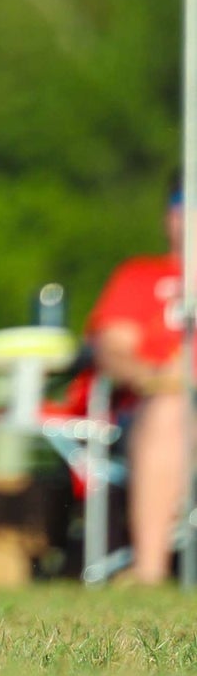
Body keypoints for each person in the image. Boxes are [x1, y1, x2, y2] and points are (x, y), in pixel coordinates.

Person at [63, 171, 190, 584]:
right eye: (180, 204)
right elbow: (113, 350)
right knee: (171, 409)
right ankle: (150, 572)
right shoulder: (140, 277)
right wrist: (155, 377)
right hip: (153, 414)